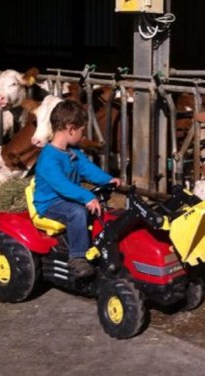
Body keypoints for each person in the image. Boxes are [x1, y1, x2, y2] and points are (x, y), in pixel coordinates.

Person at [33, 99, 121, 278]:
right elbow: (62, 185)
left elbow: (88, 170)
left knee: (101, 211)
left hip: (67, 197)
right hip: (51, 202)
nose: (83, 136)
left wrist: (108, 180)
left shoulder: (73, 153)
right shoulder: (49, 158)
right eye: (82, 131)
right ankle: (77, 258)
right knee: (77, 212)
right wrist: (86, 196)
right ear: (71, 129)